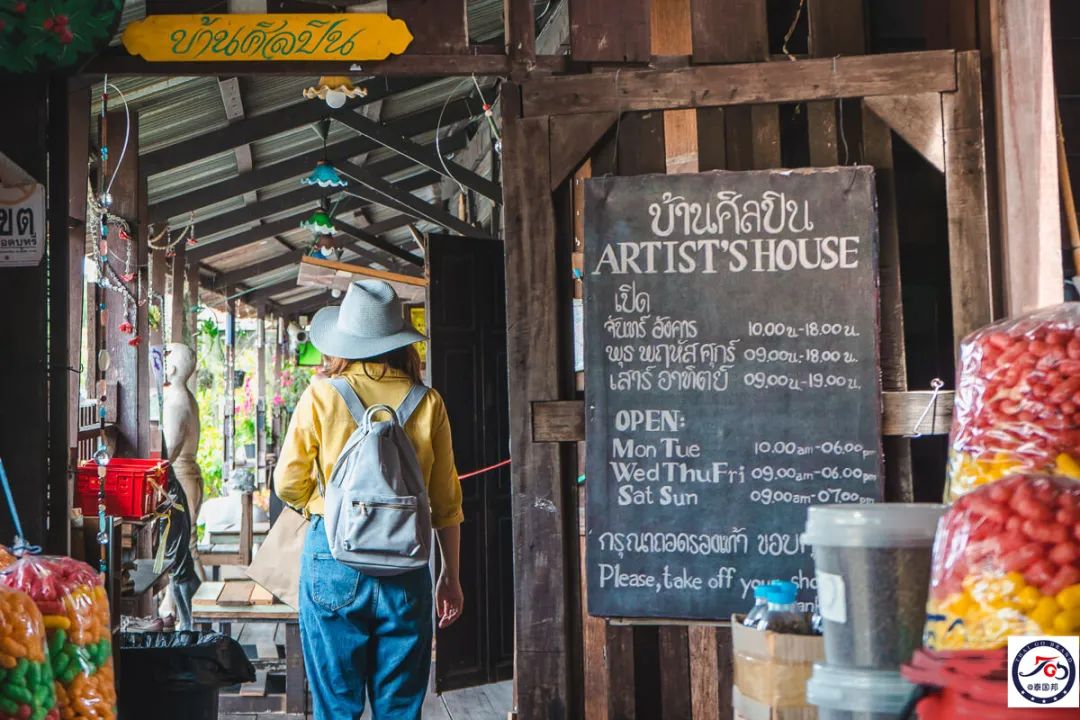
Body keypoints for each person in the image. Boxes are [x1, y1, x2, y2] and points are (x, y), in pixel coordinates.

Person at [274, 280, 464, 720]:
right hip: (407, 562)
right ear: (399, 340)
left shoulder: (322, 394)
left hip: (333, 558)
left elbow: (287, 483)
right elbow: (446, 503)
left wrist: (318, 507)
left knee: (336, 708)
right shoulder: (428, 402)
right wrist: (450, 576)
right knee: (400, 709)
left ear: (345, 340)